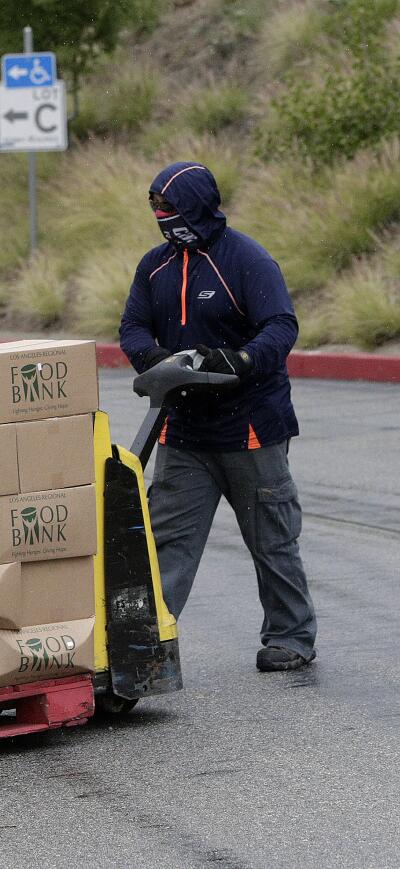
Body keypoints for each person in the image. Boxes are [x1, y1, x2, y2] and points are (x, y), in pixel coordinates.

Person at [119, 161, 317, 672]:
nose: (162, 216)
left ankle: (291, 638)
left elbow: (281, 326)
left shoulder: (248, 261)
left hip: (250, 427)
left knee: (272, 538)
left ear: (196, 206)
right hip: (183, 430)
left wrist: (240, 360)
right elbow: (132, 328)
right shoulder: (154, 267)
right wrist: (158, 361)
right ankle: (144, 649)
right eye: (156, 208)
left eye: (169, 207)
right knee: (164, 543)